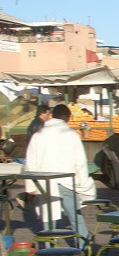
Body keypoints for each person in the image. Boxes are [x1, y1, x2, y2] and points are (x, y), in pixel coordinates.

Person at [24, 104, 96, 244]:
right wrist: (82, 181)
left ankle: (49, 252)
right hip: (66, 181)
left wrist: (30, 188)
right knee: (75, 217)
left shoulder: (38, 135)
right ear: (67, 118)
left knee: (48, 220)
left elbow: (30, 162)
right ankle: (83, 247)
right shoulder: (71, 134)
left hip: (43, 183)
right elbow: (80, 161)